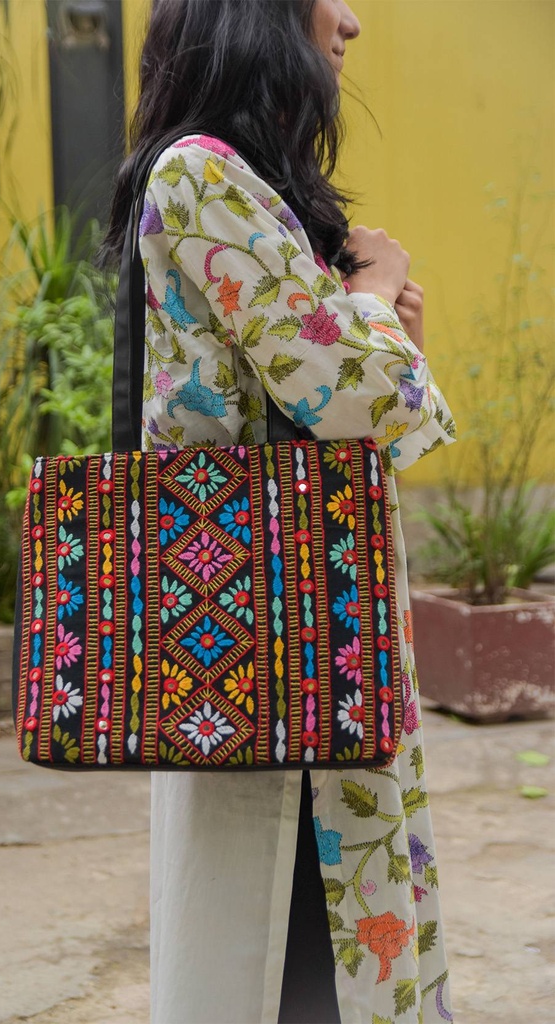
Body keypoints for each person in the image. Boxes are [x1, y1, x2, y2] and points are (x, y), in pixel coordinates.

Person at [99, 2, 456, 1021]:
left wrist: (375, 327)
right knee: (287, 956)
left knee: (314, 950)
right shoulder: (200, 173)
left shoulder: (240, 187)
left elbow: (356, 407)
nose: (350, 20)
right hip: (267, 647)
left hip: (304, 639)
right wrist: (377, 293)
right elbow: (359, 394)